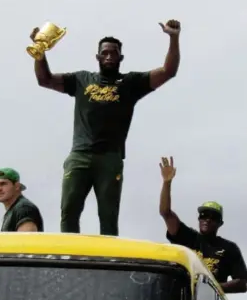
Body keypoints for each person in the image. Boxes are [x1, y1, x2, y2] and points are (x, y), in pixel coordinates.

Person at [30, 19, 181, 236]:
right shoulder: (82, 79)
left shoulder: (130, 83)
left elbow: (168, 71)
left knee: (108, 216)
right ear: (98, 57)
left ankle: (108, 265)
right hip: (80, 155)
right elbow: (44, 79)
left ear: (121, 57)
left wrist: (173, 38)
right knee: (69, 211)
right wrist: (40, 52)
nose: (109, 56)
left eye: (114, 53)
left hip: (109, 159)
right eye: (105, 53)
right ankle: (70, 261)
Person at [158, 156, 247, 294]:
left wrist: (212, 288)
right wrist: (167, 182)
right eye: (203, 215)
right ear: (199, 219)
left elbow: (242, 283)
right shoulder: (188, 237)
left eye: (213, 217)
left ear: (220, 223)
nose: (207, 219)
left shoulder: (229, 248)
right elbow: (166, 213)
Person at [0, 168, 44, 232]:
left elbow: (25, 241)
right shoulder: (14, 210)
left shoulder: (24, 208)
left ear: (17, 186)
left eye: (3, 184)